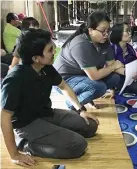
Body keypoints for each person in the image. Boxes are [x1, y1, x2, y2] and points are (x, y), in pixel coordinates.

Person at [1, 29, 99, 167]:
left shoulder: (46, 68)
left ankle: (53, 134)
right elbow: (4, 117)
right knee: (78, 145)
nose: (54, 52)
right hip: (26, 124)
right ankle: (27, 145)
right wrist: (14, 154)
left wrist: (81, 109)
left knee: (90, 126)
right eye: (50, 50)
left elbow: (64, 86)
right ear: (36, 58)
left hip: (46, 113)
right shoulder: (15, 79)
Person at [53, 11, 123, 110]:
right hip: (64, 80)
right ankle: (73, 103)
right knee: (99, 87)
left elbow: (113, 65)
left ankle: (86, 97)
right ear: (90, 30)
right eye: (103, 31)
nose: (106, 34)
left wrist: (132, 73)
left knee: (114, 78)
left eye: (108, 31)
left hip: (83, 75)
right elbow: (95, 75)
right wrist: (114, 66)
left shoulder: (104, 43)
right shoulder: (81, 44)